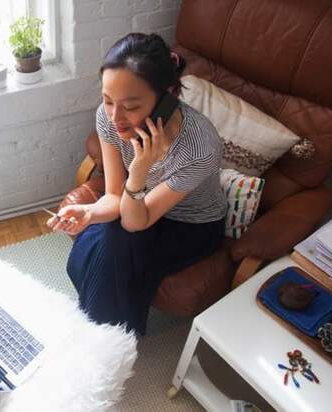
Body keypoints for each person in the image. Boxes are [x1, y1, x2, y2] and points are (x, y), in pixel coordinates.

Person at [47, 33, 227, 335]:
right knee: (101, 237)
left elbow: (133, 222)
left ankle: (103, 337)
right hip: (138, 205)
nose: (115, 117)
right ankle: (106, 333)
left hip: (190, 224)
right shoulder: (108, 118)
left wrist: (141, 169)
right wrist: (90, 212)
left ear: (166, 96)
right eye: (107, 100)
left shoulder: (200, 147)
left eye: (130, 106)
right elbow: (114, 196)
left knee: (113, 240)